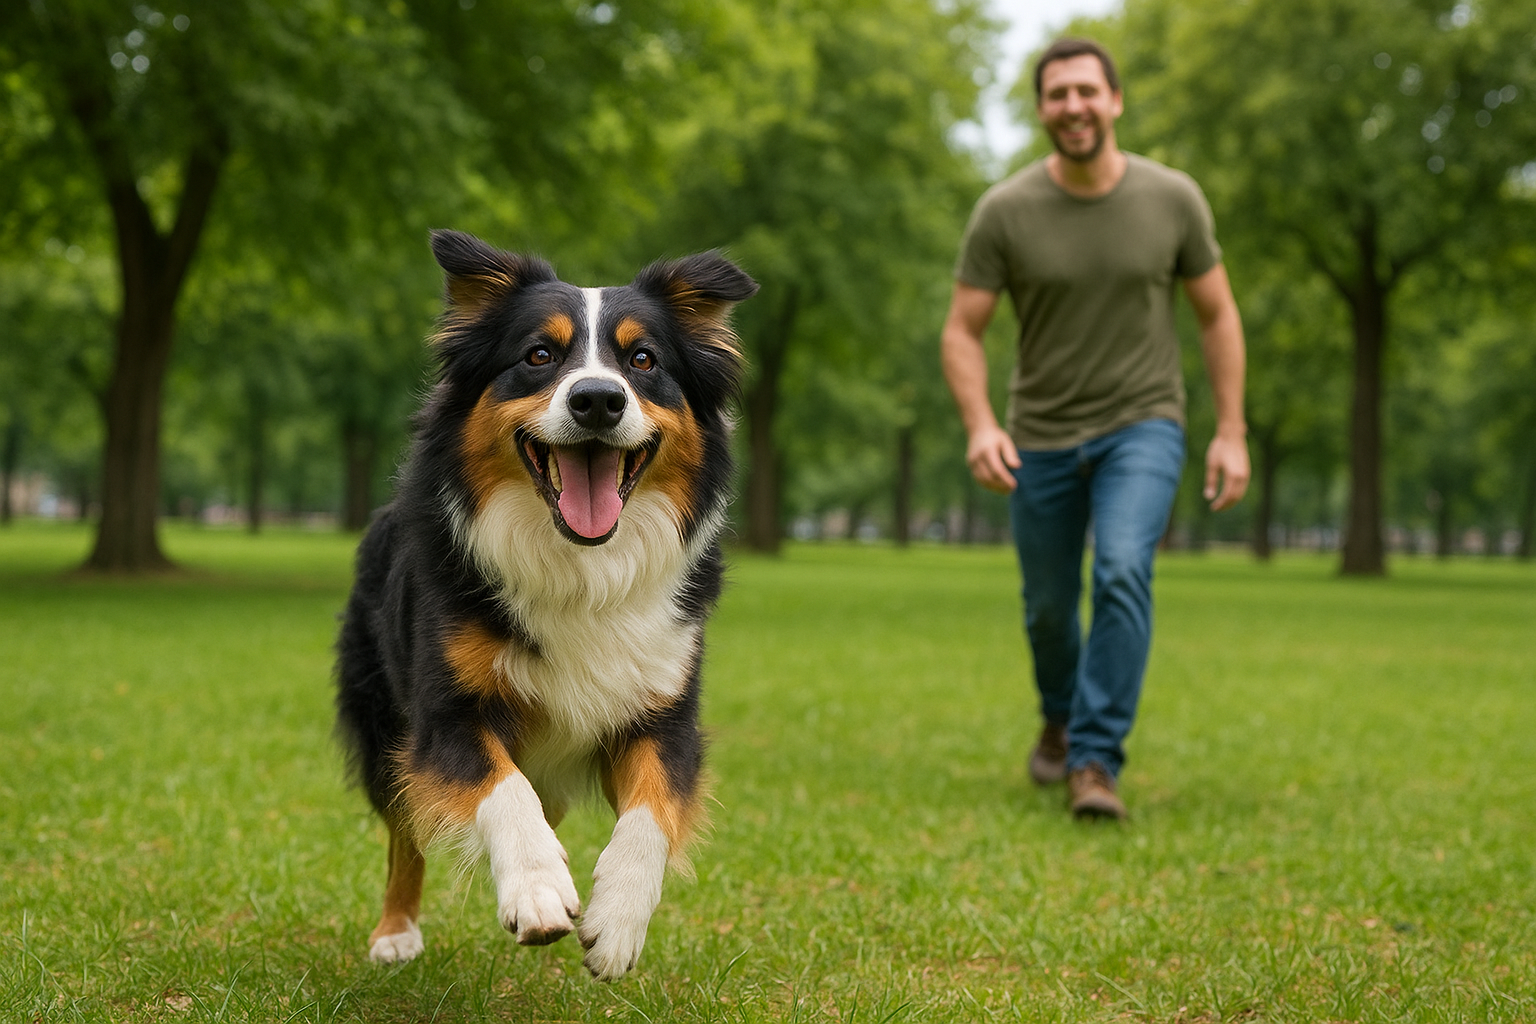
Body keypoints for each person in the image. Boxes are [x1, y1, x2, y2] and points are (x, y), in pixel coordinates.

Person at [940, 37, 1249, 820]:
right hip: (1038, 434)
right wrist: (980, 425)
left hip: (1143, 424)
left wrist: (1231, 430)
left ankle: (1095, 761)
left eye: (1086, 91)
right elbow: (962, 330)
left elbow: (1216, 314)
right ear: (1042, 109)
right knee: (1047, 604)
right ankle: (1060, 715)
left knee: (1120, 569)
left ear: (1114, 100)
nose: (1072, 106)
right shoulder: (1005, 211)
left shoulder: (1173, 198)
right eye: (1056, 94)